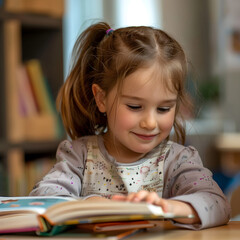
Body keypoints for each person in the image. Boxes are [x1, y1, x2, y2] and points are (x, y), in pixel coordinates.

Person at [30, 22, 231, 229]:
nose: (150, 123)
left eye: (163, 109)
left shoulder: (178, 161)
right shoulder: (78, 156)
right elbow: (43, 199)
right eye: (135, 106)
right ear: (101, 99)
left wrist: (169, 208)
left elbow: (218, 204)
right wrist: (88, 204)